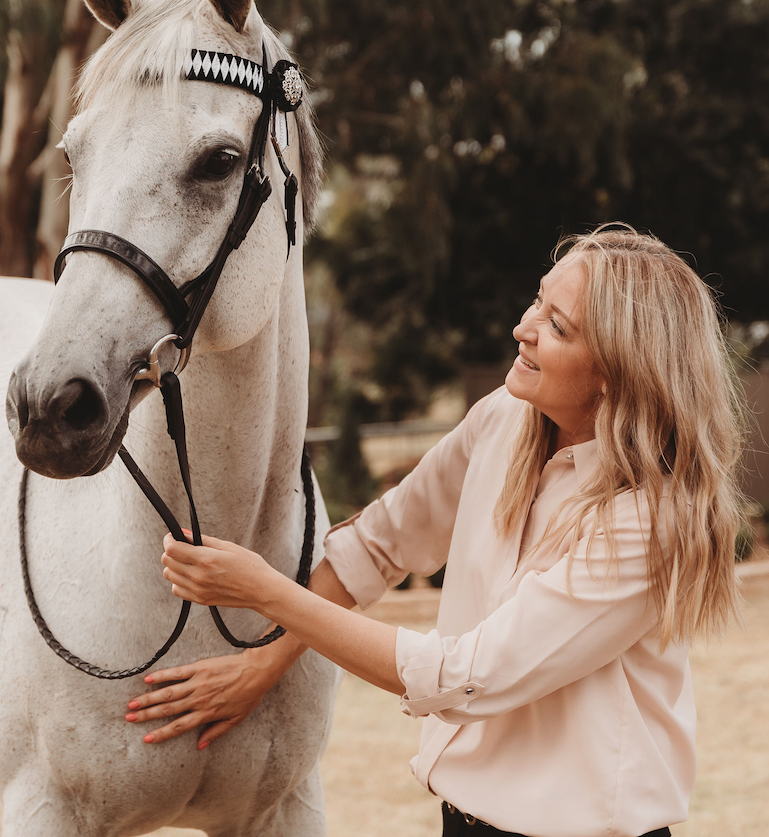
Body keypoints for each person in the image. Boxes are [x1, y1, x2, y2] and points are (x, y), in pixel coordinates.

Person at [124, 226, 746, 837]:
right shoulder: (502, 421)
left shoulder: (649, 521)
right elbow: (377, 544)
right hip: (460, 820)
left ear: (616, 370)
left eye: (557, 327)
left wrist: (265, 591)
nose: (522, 329)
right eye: (538, 300)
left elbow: (462, 678)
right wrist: (260, 664)